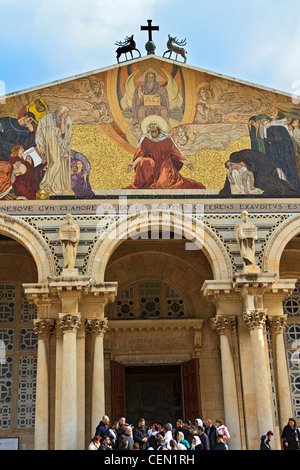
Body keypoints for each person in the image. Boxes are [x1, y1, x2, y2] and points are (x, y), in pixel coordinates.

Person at [124, 120, 206, 190]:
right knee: (146, 161)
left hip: (164, 165)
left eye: (155, 124)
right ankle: (148, 181)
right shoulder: (145, 140)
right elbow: (140, 154)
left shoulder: (166, 140)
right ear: (148, 128)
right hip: (151, 168)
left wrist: (185, 162)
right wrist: (134, 164)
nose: (153, 126)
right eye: (151, 125)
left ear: (159, 127)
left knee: (162, 185)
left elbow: (175, 153)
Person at [35, 105, 73, 195]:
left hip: (61, 146)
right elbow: (39, 132)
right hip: (50, 145)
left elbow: (66, 134)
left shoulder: (67, 120)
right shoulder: (45, 119)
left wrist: (63, 120)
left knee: (61, 166)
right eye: (62, 113)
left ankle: (56, 186)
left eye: (65, 113)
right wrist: (40, 145)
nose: (64, 115)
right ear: (57, 112)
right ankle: (46, 184)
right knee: (55, 163)